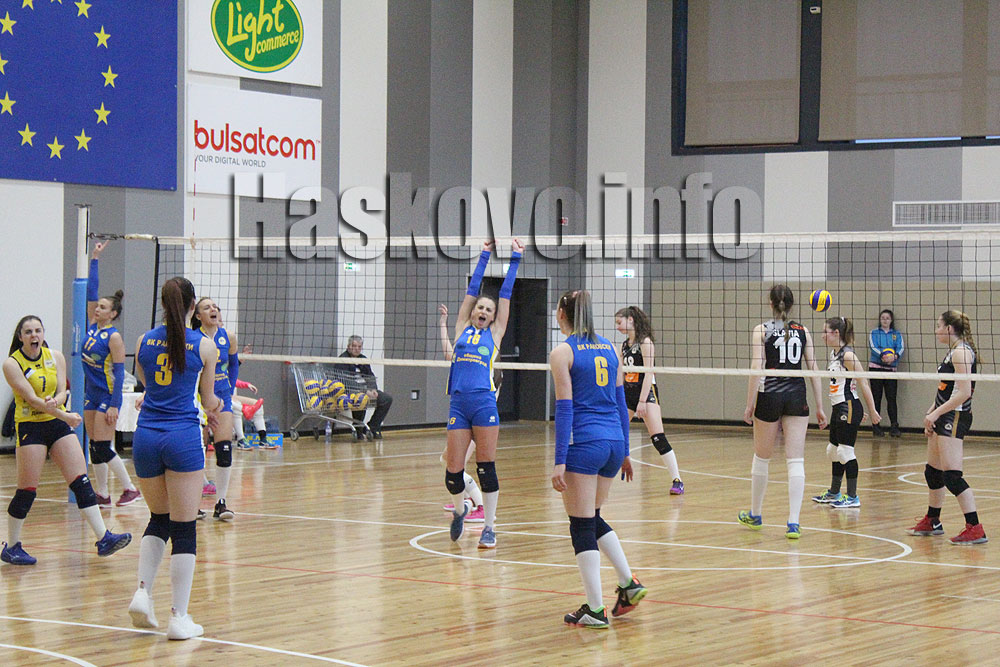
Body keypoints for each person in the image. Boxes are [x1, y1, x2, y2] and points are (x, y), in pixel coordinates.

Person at [127, 277, 223, 639]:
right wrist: (218, 406)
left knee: (159, 518)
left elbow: (147, 382)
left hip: (146, 437)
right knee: (184, 528)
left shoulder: (143, 341)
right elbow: (209, 399)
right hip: (182, 437)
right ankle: (178, 617)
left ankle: (142, 592)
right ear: (192, 306)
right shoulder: (205, 345)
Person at [550, 290, 647, 628]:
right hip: (613, 443)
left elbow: (565, 409)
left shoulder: (562, 352)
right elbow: (621, 404)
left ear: (562, 314)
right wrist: (625, 451)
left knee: (580, 525)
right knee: (592, 517)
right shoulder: (610, 348)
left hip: (585, 443)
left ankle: (595, 609)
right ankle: (628, 583)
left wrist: (559, 460)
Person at [1, 315, 132, 565]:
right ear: (20, 337)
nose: (34, 335)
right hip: (30, 426)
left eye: (38, 330)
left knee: (81, 481)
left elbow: (63, 390)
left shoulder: (55, 357)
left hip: (56, 422)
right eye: (28, 332)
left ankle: (104, 538)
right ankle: (13, 546)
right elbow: (32, 400)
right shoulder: (12, 363)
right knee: (27, 490)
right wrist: (65, 415)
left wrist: (57, 402)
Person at [444, 238, 522, 549]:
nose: (484, 311)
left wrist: (515, 259)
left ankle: (489, 527)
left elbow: (505, 295)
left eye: (489, 310)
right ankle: (460, 510)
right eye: (480, 307)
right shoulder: (461, 328)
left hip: (484, 403)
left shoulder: (496, 333)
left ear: (492, 316)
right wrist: (484, 255)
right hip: (459, 404)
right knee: (453, 472)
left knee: (486, 467)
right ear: (473, 310)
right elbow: (472, 290)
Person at [740, 285, 827, 539]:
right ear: (791, 305)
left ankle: (756, 514)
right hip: (796, 395)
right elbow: (814, 369)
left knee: (762, 457)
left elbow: (757, 367)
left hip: (770, 394)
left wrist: (750, 404)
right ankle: (793, 522)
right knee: (795, 460)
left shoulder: (762, 330)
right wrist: (820, 407)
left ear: (770, 304)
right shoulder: (803, 331)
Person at [906, 310, 987, 545]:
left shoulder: (961, 352)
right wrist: (931, 412)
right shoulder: (953, 351)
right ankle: (933, 520)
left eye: (939, 326)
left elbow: (964, 392)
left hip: (955, 416)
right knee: (933, 472)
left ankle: (975, 527)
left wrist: (937, 413)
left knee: (952, 476)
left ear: (950, 328)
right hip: (944, 414)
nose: (936, 330)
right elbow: (946, 388)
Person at [83, 241, 141, 507]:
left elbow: (119, 373)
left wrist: (115, 404)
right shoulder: (91, 326)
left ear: (113, 313)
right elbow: (90, 291)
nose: (98, 309)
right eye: (98, 307)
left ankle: (130, 489)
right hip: (91, 394)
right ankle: (103, 494)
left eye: (103, 308)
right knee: (94, 446)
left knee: (102, 447)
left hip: (107, 395)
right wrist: (95, 258)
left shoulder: (113, 337)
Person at [812, 317, 880, 509]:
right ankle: (834, 492)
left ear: (836, 333)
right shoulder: (834, 354)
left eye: (825, 331)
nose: (822, 335)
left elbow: (863, 382)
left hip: (847, 406)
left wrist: (872, 410)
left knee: (845, 451)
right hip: (839, 407)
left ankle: (852, 497)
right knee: (833, 451)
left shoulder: (848, 355)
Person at [615, 306, 683, 494]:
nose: (617, 327)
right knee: (614, 432)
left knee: (658, 437)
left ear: (631, 319)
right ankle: (601, 472)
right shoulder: (624, 346)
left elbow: (648, 373)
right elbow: (620, 374)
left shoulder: (645, 342)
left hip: (646, 392)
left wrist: (642, 401)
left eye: (619, 322)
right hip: (628, 393)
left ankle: (677, 480)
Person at [438, 303, 487, 523]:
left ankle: (480, 505)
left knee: (453, 464)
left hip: (478, 417)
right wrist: (443, 324)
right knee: (449, 461)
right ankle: (463, 499)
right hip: (463, 415)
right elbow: (449, 353)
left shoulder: (485, 362)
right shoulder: (464, 355)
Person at [191, 297, 237, 521]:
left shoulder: (228, 336)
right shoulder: (193, 338)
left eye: (215, 306)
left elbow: (234, 365)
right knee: (196, 450)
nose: (213, 309)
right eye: (207, 307)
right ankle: (193, 504)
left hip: (222, 396)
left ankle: (221, 503)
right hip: (198, 398)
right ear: (198, 315)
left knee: (224, 447)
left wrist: (230, 389)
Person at [336, 336, 393, 439]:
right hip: (350, 391)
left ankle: (372, 427)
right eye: (354, 346)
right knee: (361, 398)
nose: (357, 349)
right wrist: (364, 391)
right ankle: (358, 428)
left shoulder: (363, 359)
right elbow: (345, 381)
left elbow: (370, 376)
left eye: (359, 346)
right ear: (348, 346)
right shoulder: (342, 360)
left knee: (386, 399)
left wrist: (373, 389)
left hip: (366, 390)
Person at [868, 309, 904, 437]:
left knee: (891, 398)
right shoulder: (874, 333)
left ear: (891, 320)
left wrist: (894, 356)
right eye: (882, 318)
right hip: (876, 368)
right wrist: (883, 355)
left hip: (891, 369)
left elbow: (901, 348)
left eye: (887, 318)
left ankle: (894, 427)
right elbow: (873, 347)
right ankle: (876, 426)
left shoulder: (896, 334)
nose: (885, 320)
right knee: (876, 398)